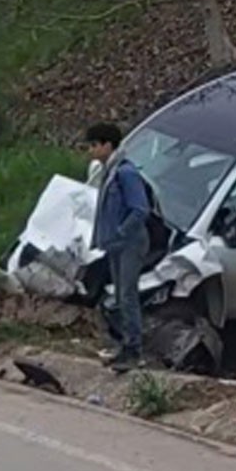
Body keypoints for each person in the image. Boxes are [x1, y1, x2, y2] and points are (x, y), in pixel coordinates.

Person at [85, 122, 151, 373]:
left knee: (127, 296)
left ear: (108, 145)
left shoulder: (125, 173)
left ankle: (134, 350)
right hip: (116, 244)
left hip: (130, 243)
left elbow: (140, 209)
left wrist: (121, 232)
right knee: (120, 296)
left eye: (95, 145)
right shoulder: (110, 172)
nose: (91, 151)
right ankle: (125, 346)